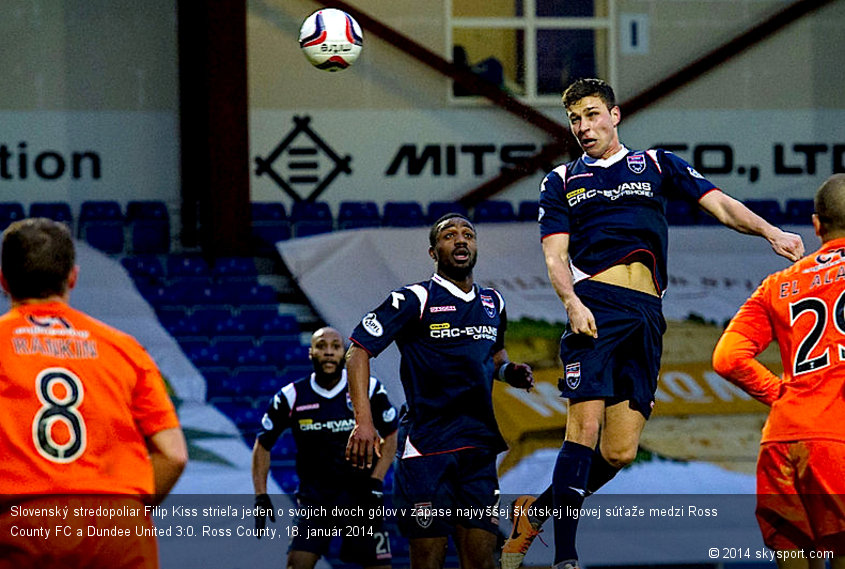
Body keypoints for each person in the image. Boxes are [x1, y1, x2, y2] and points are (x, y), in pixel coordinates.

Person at [501, 77, 805, 569]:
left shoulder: (657, 164)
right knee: (583, 429)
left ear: (615, 115)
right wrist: (571, 302)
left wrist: (771, 232)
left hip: (647, 316)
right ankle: (565, 557)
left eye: (593, 114)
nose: (584, 126)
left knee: (619, 452)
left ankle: (534, 512)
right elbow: (554, 254)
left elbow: (720, 203)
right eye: (575, 119)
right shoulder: (560, 181)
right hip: (595, 309)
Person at [345, 213, 535, 569]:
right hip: (427, 448)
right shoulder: (413, 298)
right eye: (449, 236)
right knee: (428, 561)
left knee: (481, 561)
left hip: (478, 447)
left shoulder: (494, 302)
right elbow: (357, 350)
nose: (461, 240)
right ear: (434, 252)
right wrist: (364, 422)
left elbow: (494, 356)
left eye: (468, 234)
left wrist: (510, 372)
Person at [0, 218, 187, 569]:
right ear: (72, 277)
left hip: (22, 525)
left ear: (3, 280)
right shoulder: (125, 348)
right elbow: (174, 455)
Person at [712, 174, 845, 569]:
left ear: (817, 225)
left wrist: (783, 396)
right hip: (837, 440)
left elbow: (727, 358)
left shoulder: (777, 284)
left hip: (781, 442)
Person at [252, 326, 399, 569]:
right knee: (297, 564)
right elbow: (263, 444)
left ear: (345, 353)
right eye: (321, 346)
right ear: (310, 353)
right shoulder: (291, 396)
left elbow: (392, 434)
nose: (329, 352)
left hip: (360, 499)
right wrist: (260, 494)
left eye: (335, 346)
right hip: (315, 501)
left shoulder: (368, 389)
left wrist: (376, 481)